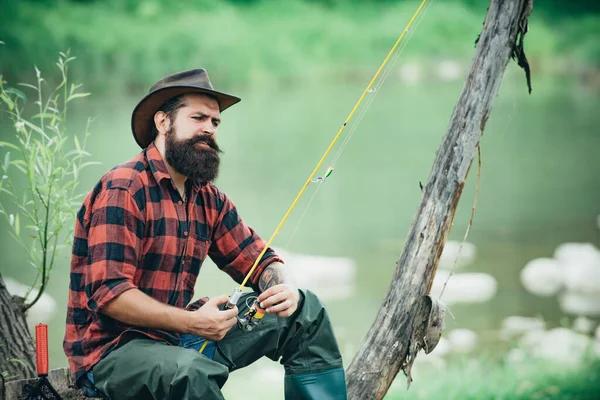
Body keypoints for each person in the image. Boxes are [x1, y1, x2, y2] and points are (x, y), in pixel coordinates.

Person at [63, 69, 348, 399]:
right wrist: (192, 322)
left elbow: (260, 260)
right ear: (163, 122)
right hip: (111, 354)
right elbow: (109, 294)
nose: (209, 129)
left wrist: (279, 287)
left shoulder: (208, 198)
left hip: (178, 340)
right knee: (192, 373)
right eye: (198, 117)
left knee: (304, 312)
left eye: (215, 122)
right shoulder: (124, 188)